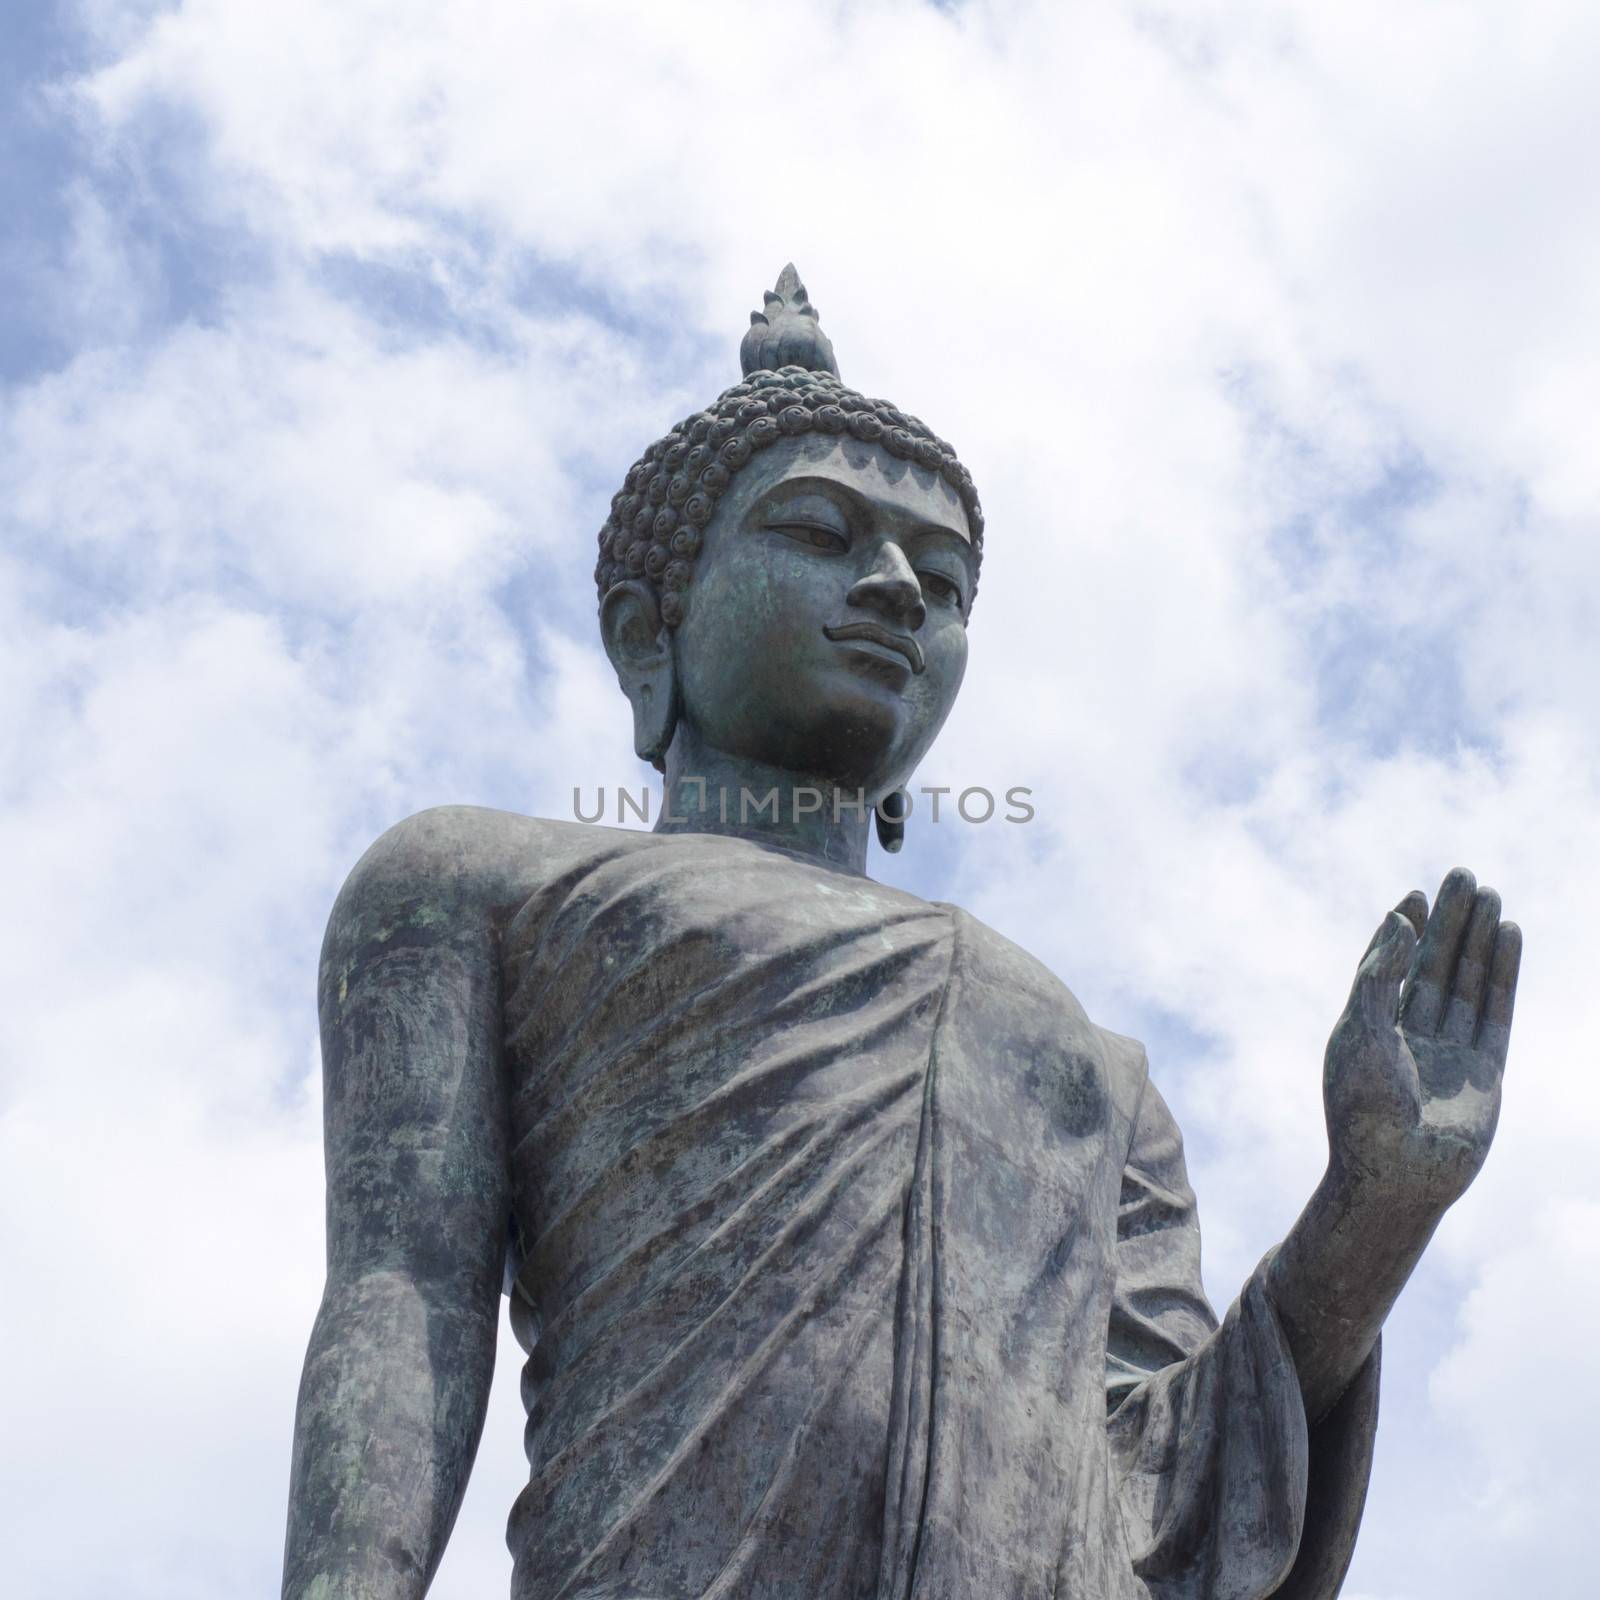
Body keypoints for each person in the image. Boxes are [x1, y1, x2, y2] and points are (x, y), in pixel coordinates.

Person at [282, 267, 1521, 1600]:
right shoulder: (485, 882)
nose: (892, 588)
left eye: (943, 581)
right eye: (820, 531)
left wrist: (1377, 1204)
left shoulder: (1090, 1065)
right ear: (651, 636)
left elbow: (1164, 1467)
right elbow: (408, 1288)